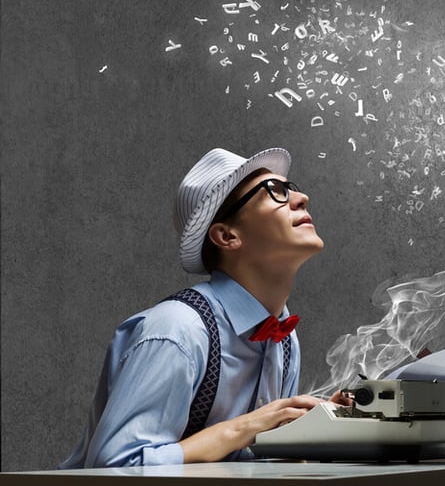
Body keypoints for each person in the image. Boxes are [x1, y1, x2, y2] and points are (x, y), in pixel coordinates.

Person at [60, 147, 348, 468]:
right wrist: (244, 427)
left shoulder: (284, 341)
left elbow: (254, 465)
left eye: (292, 187)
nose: (301, 197)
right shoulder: (179, 330)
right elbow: (116, 466)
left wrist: (311, 430)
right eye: (275, 192)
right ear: (226, 236)